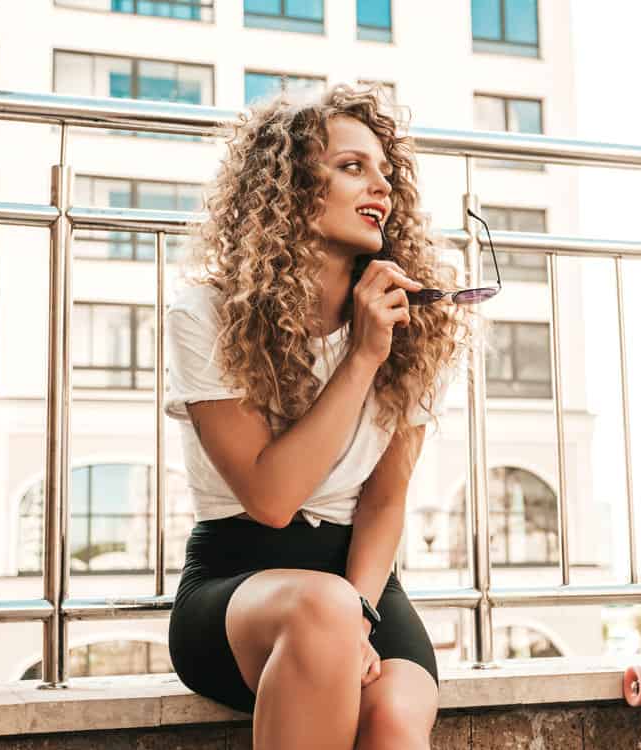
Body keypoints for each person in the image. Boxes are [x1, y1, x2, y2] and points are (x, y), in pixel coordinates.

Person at [164, 84, 476, 749]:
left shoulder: (418, 328)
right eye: (351, 166)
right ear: (287, 186)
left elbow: (385, 501)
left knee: (393, 714)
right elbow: (272, 499)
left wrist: (360, 614)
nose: (381, 188)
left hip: (360, 580)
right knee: (320, 613)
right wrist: (361, 356)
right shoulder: (206, 315)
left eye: (386, 173)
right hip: (239, 582)